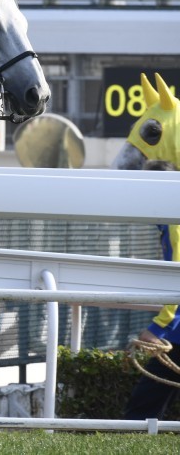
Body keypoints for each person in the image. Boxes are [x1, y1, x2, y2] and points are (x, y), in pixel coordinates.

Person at [124, 158, 180, 420]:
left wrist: (158, 328)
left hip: (176, 330)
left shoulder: (173, 224)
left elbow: (177, 277)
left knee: (143, 408)